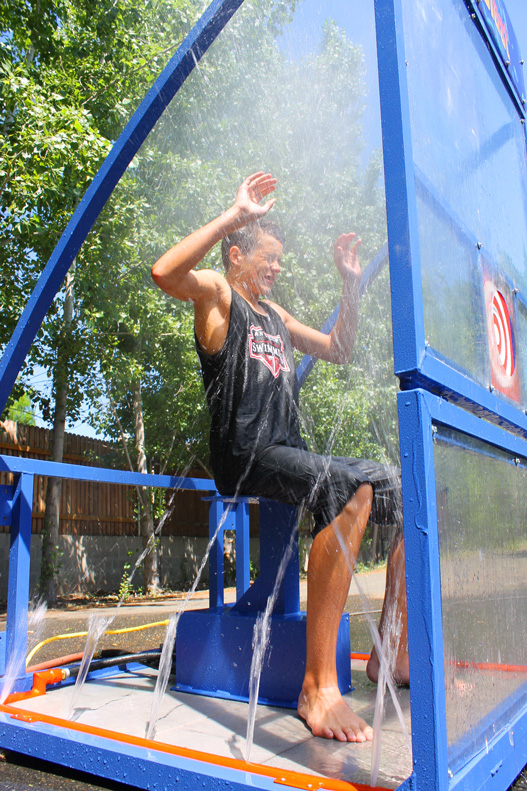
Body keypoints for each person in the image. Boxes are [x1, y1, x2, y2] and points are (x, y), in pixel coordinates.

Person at [152, 171, 408, 743]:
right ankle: (317, 690)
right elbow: (164, 272)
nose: (277, 268)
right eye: (269, 258)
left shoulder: (276, 316)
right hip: (245, 454)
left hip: (287, 452)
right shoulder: (221, 296)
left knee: (409, 490)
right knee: (349, 490)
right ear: (237, 253)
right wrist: (231, 215)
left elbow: (339, 350)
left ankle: (393, 654)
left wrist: (350, 285)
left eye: (280, 261)